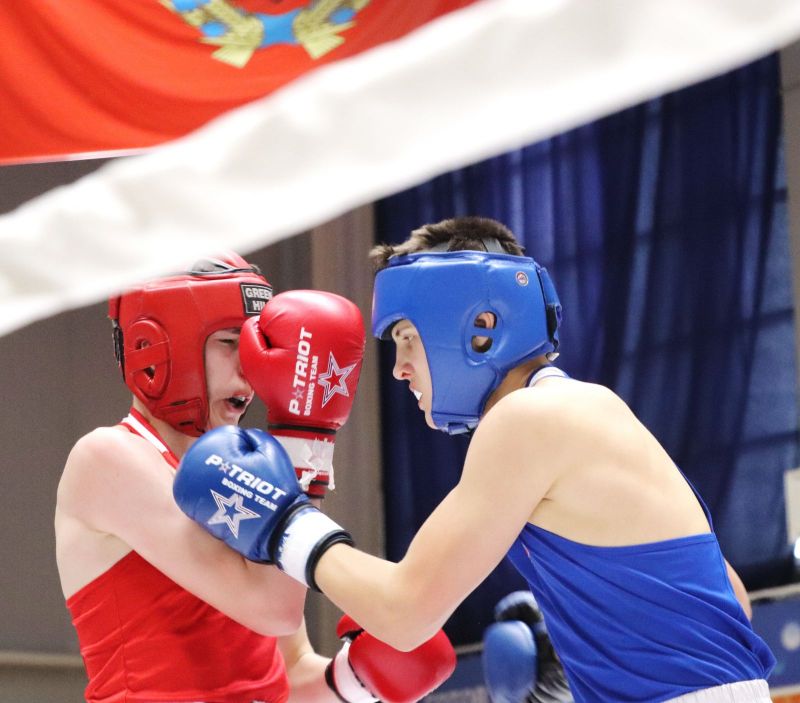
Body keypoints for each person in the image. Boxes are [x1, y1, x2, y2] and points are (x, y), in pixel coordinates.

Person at [172, 220, 776, 703]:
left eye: (407, 338)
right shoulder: (587, 409)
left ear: (480, 327)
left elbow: (405, 612)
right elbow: (732, 599)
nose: (399, 369)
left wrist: (284, 524)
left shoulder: (527, 419)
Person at [54, 253, 455, 703]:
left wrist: (356, 678)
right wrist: (307, 433)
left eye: (253, 344)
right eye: (229, 341)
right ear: (158, 348)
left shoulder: (248, 469)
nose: (250, 365)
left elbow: (289, 671)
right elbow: (272, 608)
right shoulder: (107, 459)